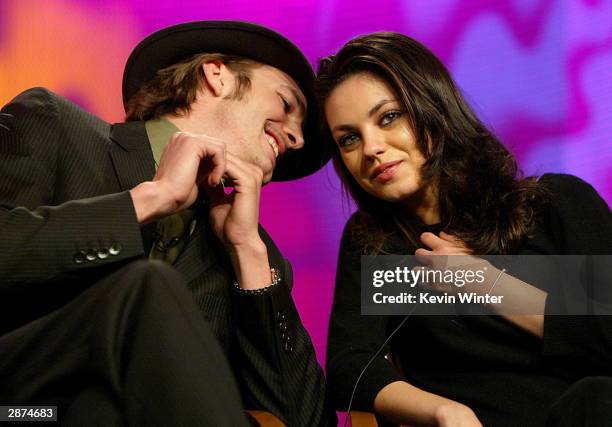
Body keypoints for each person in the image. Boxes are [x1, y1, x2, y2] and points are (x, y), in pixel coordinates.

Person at [0, 21, 334, 426]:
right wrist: (150, 199)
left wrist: (247, 251)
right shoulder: (55, 124)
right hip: (23, 408)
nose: (296, 138)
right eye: (286, 103)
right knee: (146, 286)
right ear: (217, 75)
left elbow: (301, 420)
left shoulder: (256, 262)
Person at [316, 32, 612, 426]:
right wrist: (443, 410)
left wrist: (485, 283)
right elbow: (350, 365)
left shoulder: (554, 206)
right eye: (349, 138)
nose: (371, 148)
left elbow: (606, 334)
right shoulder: (379, 245)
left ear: (431, 108)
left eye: (388, 117)